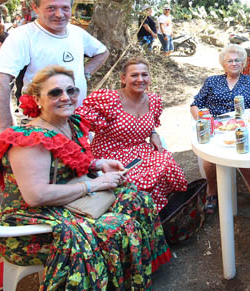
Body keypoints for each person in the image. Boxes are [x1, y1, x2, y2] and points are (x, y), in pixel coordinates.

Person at [0, 65, 170, 290]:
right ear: (37, 99)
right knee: (119, 227)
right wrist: (93, 184)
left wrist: (98, 164)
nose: (66, 97)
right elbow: (36, 196)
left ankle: (132, 274)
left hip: (65, 199)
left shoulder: (68, 123)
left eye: (71, 91)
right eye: (55, 93)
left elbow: (66, 161)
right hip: (31, 220)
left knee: (137, 200)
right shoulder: (30, 140)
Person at [0, 0, 109, 134]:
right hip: (41, 127)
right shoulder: (23, 36)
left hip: (75, 122)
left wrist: (85, 73)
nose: (59, 14)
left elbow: (102, 52)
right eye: (51, 8)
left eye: (65, 8)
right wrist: (3, 129)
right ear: (35, 8)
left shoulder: (77, 33)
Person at [76, 58, 187, 211]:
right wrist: (85, 158)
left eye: (144, 75)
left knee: (169, 167)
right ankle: (146, 215)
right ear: (123, 78)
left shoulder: (153, 101)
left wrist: (153, 132)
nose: (140, 79)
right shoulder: (109, 100)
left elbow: (151, 123)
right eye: (134, 75)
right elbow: (78, 125)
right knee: (138, 182)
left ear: (150, 78)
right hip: (111, 155)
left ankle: (162, 213)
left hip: (140, 150)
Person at [190, 44, 250, 213]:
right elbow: (195, 105)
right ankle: (212, 190)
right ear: (223, 64)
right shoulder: (212, 81)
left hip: (240, 126)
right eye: (229, 61)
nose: (234, 63)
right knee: (209, 158)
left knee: (241, 149)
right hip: (216, 127)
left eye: (237, 60)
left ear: (243, 62)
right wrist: (203, 120)